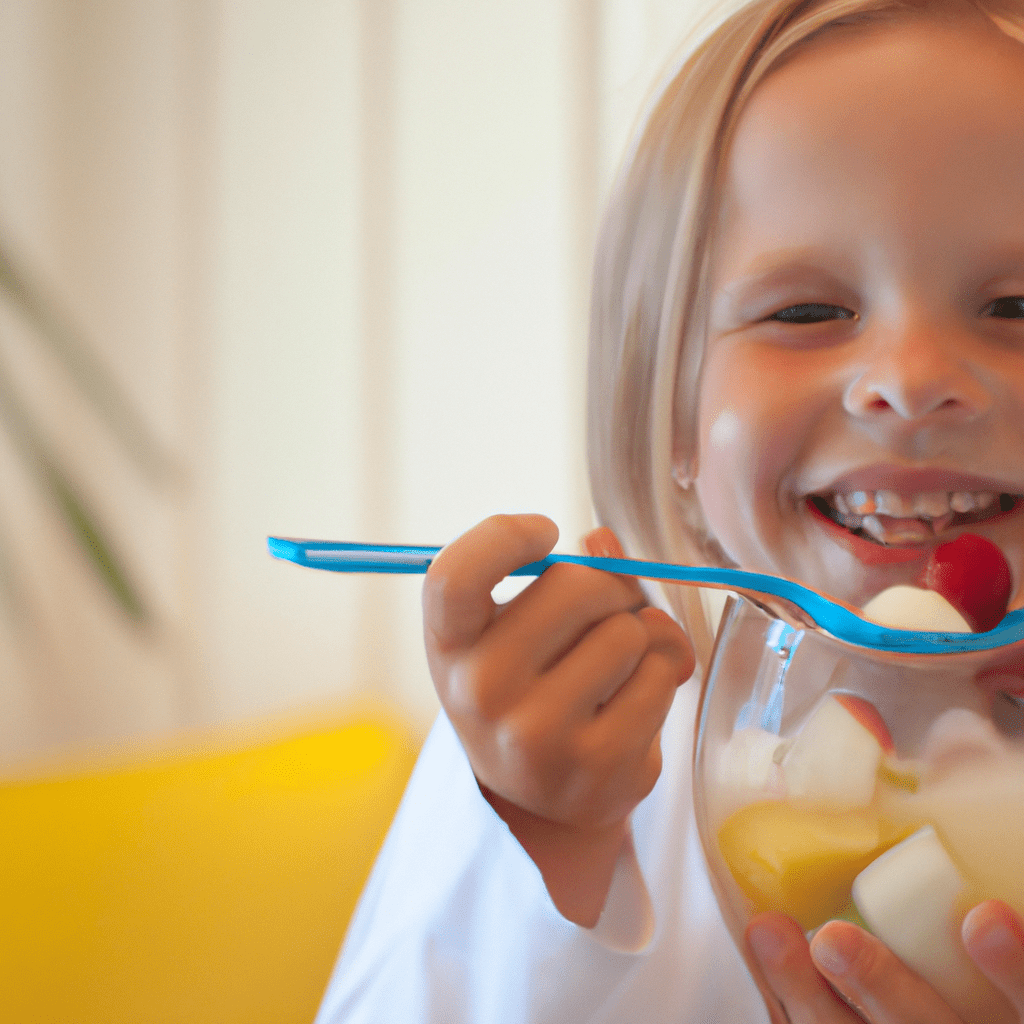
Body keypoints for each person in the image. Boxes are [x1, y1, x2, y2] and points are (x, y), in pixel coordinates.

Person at [315, 0, 1024, 1020]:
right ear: (673, 420)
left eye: (1015, 306)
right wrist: (544, 840)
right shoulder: (588, 742)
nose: (910, 381)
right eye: (806, 312)